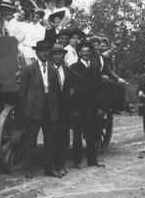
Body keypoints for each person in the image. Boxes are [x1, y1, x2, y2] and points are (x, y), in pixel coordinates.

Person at [19, 41, 73, 178]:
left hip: (50, 109)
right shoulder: (28, 69)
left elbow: (54, 91)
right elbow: (22, 92)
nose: (44, 53)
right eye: (41, 51)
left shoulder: (53, 70)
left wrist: (55, 109)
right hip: (34, 109)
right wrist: (26, 109)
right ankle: (29, 170)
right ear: (37, 53)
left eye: (46, 50)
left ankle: (49, 169)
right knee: (30, 142)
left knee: (51, 141)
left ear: (49, 53)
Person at [70, 41, 106, 169]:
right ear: (79, 53)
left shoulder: (96, 67)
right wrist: (74, 109)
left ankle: (92, 160)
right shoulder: (73, 67)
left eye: (87, 51)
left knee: (92, 135)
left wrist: (101, 107)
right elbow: (72, 89)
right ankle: (77, 161)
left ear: (91, 53)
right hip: (79, 107)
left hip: (93, 106)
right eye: (83, 51)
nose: (85, 53)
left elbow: (99, 88)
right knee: (77, 136)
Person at [50, 43, 83, 177]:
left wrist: (72, 89)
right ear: (51, 56)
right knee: (53, 138)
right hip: (51, 109)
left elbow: (80, 79)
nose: (58, 56)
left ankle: (61, 165)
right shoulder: (48, 70)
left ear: (63, 56)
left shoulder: (67, 70)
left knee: (64, 139)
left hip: (65, 109)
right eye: (55, 54)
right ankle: (53, 166)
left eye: (60, 54)